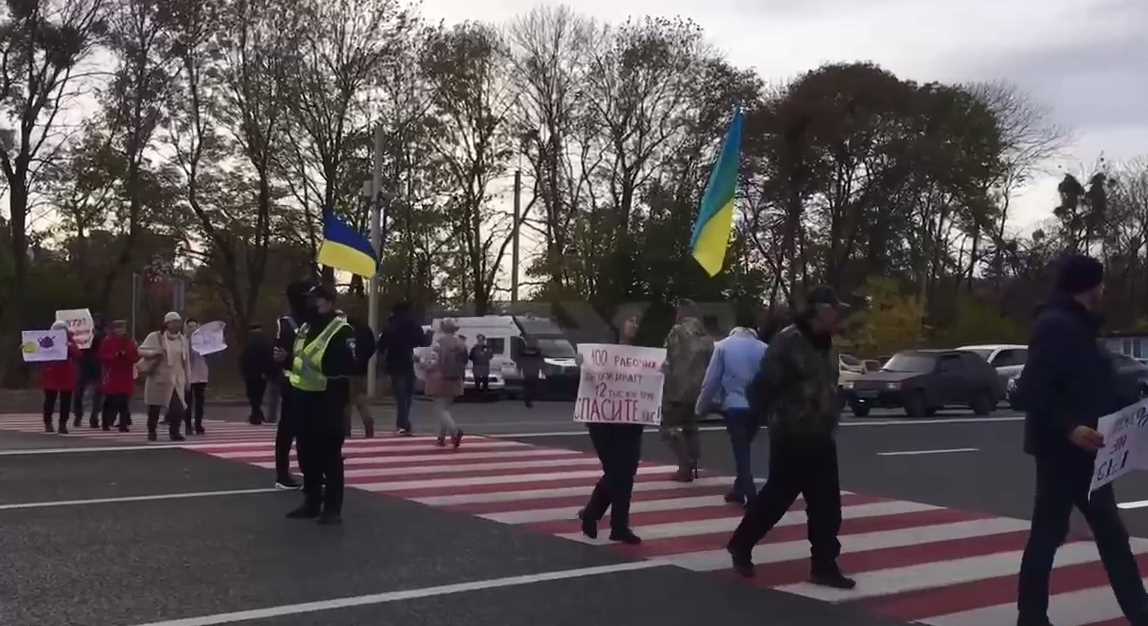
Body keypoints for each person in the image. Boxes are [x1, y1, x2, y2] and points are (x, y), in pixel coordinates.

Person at [1015, 254, 1148, 626]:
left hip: (1087, 450)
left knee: (1080, 534)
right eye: (1101, 282)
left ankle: (1033, 616)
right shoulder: (1056, 326)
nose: (1105, 289)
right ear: (1089, 286)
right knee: (1064, 535)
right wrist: (1070, 427)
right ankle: (1136, 611)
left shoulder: (1078, 325)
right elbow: (1030, 391)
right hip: (1064, 451)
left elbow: (1087, 384)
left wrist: (1126, 410)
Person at [726, 286, 854, 590]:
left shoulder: (827, 343)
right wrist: (771, 420)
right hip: (792, 435)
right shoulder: (788, 341)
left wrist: (835, 402)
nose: (839, 315)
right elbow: (760, 388)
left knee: (827, 504)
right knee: (776, 499)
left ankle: (823, 564)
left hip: (821, 433)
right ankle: (741, 544)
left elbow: (823, 383)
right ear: (820, 311)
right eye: (835, 309)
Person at [276, 284, 356, 524]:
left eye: (316, 300)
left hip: (328, 399)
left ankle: (332, 507)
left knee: (329, 454)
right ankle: (311, 500)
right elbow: (299, 358)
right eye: (310, 300)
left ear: (329, 303)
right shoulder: (305, 327)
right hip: (302, 396)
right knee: (305, 452)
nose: (311, 305)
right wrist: (286, 359)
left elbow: (345, 365)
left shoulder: (341, 330)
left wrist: (311, 366)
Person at [578, 314, 645, 545]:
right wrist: (584, 364)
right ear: (619, 324)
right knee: (618, 473)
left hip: (631, 421)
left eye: (637, 322)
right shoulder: (603, 353)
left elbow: (647, 384)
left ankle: (611, 522)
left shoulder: (642, 356)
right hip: (603, 422)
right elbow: (591, 378)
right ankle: (607, 521)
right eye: (631, 320)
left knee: (625, 473)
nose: (634, 325)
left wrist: (659, 373)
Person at [696, 321, 768, 507]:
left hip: (734, 406)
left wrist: (700, 407)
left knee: (741, 450)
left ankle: (751, 495)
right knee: (744, 447)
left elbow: (711, 380)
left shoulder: (722, 346)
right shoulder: (764, 348)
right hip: (756, 407)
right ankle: (738, 489)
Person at [661, 299, 714, 482]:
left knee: (669, 427)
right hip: (698, 390)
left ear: (681, 313)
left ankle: (684, 467)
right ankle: (694, 462)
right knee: (691, 426)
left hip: (677, 389)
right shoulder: (706, 336)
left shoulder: (677, 331)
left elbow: (667, 358)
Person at [271, 281, 310, 489]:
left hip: (301, 378)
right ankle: (285, 473)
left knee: (298, 428)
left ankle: (291, 472)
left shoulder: (289, 321)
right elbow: (277, 354)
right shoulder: (289, 322)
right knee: (293, 428)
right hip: (295, 379)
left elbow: (278, 354)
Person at [138, 312, 192, 442]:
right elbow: (140, 350)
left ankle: (174, 432)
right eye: (173, 322)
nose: (177, 324)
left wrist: (188, 379)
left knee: (178, 408)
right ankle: (152, 431)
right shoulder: (156, 337)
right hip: (159, 378)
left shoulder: (182, 339)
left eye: (178, 322)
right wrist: (155, 352)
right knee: (154, 408)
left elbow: (186, 362)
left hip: (176, 380)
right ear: (167, 323)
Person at [377, 301, 426, 436]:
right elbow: (422, 340)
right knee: (408, 395)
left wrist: (382, 361)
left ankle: (402, 424)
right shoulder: (413, 324)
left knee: (400, 396)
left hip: (394, 363)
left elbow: (381, 346)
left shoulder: (390, 325)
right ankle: (404, 423)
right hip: (409, 362)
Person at [426, 319, 465, 448]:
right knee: (445, 409)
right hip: (456, 378)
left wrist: (420, 361)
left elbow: (433, 362)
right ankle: (441, 438)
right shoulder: (461, 343)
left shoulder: (439, 343)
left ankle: (454, 431)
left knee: (440, 409)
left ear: (443, 329)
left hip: (440, 379)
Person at [41, 321, 81, 434]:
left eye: (62, 329)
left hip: (66, 375)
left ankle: (62, 424)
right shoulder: (47, 339)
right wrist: (27, 348)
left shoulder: (69, 341)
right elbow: (37, 352)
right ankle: (48, 423)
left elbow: (78, 354)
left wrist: (70, 346)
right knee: (49, 401)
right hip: (51, 375)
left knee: (66, 402)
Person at [99, 320, 138, 432]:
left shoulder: (129, 342)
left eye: (122, 328)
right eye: (117, 328)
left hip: (125, 375)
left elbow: (135, 356)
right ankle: (106, 423)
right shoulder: (108, 341)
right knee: (109, 400)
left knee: (124, 402)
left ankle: (123, 424)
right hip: (113, 374)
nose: (120, 330)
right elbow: (102, 356)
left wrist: (127, 355)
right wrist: (114, 356)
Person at [346, 316, 378, 438]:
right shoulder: (365, 330)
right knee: (360, 400)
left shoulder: (345, 331)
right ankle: (368, 424)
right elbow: (372, 347)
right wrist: (363, 359)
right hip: (361, 371)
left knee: (346, 404)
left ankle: (346, 430)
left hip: (347, 371)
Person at [73, 316, 105, 428]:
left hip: (96, 365)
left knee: (97, 393)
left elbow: (101, 342)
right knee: (78, 393)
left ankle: (94, 417)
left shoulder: (100, 334)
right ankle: (78, 416)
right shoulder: (81, 334)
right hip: (83, 365)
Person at [240, 324, 274, 425]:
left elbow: (243, 359)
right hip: (261, 374)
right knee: (259, 395)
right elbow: (269, 358)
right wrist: (268, 372)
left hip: (250, 374)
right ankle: (257, 414)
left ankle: (256, 415)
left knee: (252, 395)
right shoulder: (266, 342)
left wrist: (244, 372)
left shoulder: (247, 343)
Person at [185, 318, 209, 435]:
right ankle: (188, 426)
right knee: (188, 403)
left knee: (200, 403)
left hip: (201, 374)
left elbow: (210, 354)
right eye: (190, 326)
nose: (192, 329)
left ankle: (198, 425)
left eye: (194, 326)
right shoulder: (183, 340)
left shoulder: (203, 340)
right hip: (188, 375)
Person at [517, 338, 543, 408]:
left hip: (526, 372)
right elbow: (540, 362)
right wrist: (542, 370)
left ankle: (527, 400)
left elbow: (520, 362)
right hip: (534, 372)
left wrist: (519, 370)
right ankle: (529, 400)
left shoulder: (523, 352)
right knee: (532, 387)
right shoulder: (538, 352)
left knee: (527, 387)